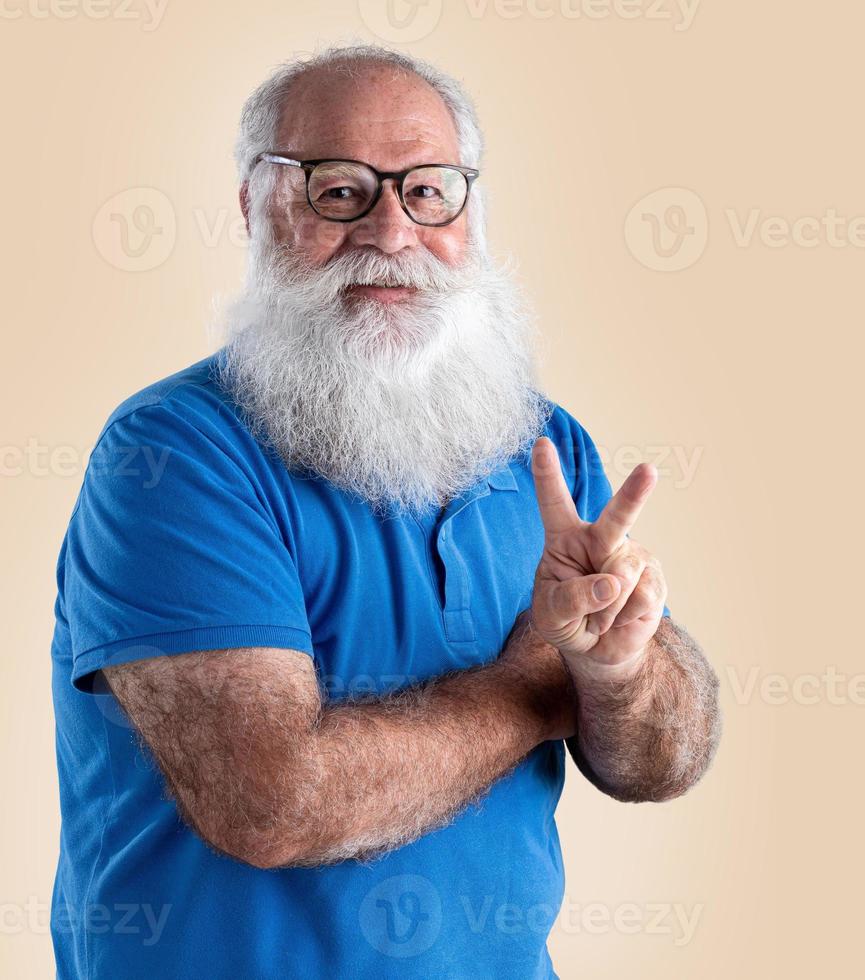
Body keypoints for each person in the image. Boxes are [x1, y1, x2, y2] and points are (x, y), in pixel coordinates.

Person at [49, 43, 721, 979]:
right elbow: (271, 802)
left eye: (429, 191)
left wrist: (613, 673)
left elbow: (663, 762)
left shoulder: (541, 444)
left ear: (469, 209)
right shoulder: (170, 455)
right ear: (256, 207)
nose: (392, 232)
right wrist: (537, 688)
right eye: (339, 191)